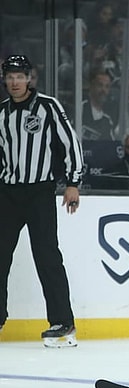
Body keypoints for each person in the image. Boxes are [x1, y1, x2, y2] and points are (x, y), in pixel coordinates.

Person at [0, 55, 84, 347]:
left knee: (47, 256)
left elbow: (70, 142)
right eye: (10, 76)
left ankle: (63, 322)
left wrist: (73, 182)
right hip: (8, 193)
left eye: (19, 76)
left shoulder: (48, 106)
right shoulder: (2, 113)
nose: (14, 82)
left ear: (29, 78)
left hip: (39, 192)